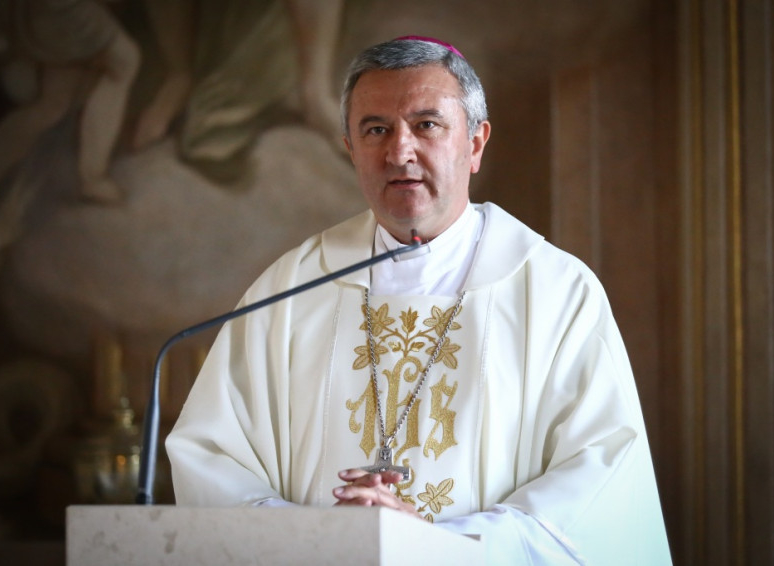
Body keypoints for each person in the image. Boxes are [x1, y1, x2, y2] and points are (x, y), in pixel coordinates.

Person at [166, 36, 672, 564]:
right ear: (350, 149)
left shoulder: (556, 292)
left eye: (426, 125)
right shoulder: (290, 291)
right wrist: (318, 535)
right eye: (376, 130)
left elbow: (597, 489)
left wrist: (437, 548)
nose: (399, 152)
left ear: (475, 144)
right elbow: (213, 460)